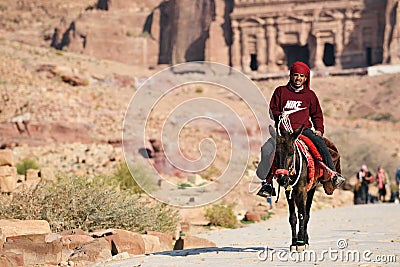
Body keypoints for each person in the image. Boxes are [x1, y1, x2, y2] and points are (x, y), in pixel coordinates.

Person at [257, 61, 345, 197]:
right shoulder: (280, 91)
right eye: (295, 75)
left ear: (306, 78)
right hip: (283, 133)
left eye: (302, 76)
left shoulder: (310, 95)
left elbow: (317, 114)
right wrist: (279, 115)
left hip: (303, 130)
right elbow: (273, 109)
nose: (298, 78)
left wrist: (319, 129)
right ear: (291, 76)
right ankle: (267, 184)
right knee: (267, 149)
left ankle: (333, 175)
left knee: (321, 144)